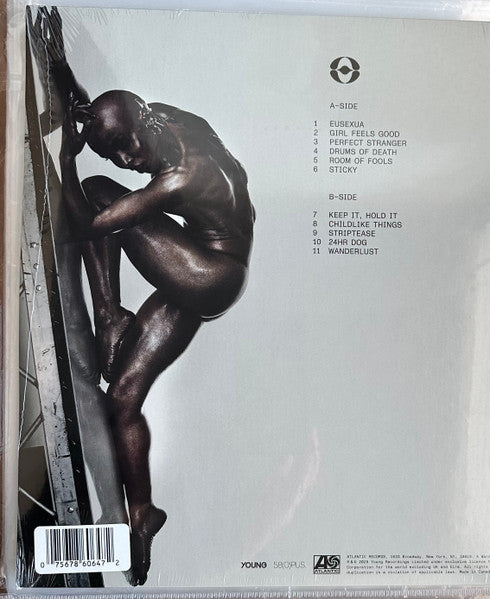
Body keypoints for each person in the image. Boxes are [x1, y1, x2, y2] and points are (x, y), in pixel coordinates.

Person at [31, 8, 255, 586]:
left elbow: (86, 225)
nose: (130, 160)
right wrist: (60, 68)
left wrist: (66, 157)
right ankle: (142, 514)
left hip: (210, 271)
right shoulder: (160, 120)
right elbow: (100, 117)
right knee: (124, 396)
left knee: (98, 194)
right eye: (117, 154)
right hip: (201, 264)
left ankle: (109, 315)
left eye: (130, 148)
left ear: (147, 126)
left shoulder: (181, 175)